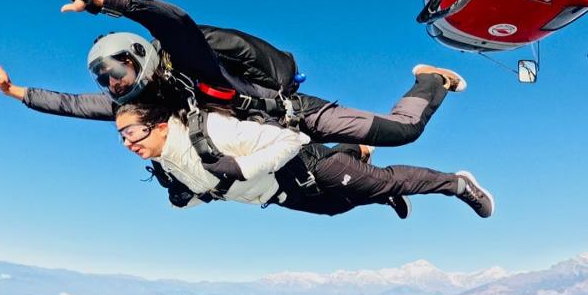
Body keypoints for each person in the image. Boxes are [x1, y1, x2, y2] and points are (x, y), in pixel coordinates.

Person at [0, 0, 467, 148]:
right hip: (271, 141)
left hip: (297, 115)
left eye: (116, 68)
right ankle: (355, 155)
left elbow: (170, 19)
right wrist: (15, 92)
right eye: (103, 78)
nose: (112, 83)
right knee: (321, 179)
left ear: (139, 56)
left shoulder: (186, 59)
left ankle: (430, 79)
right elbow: (74, 105)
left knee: (403, 133)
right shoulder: (144, 103)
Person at [114, 100, 495, 219]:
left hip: (305, 166)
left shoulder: (213, 132)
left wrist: (243, 167)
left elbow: (289, 140)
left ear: (161, 125)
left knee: (387, 180)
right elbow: (213, 185)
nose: (128, 143)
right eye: (122, 137)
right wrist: (189, 198)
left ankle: (458, 184)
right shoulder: (168, 163)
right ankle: (363, 167)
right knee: (337, 209)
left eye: (133, 132)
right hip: (282, 194)